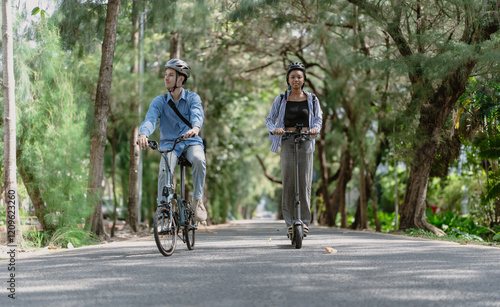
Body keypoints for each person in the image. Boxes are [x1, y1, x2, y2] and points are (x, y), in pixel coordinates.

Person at [137, 59, 207, 222]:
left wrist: (195, 128)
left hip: (191, 142)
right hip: (170, 144)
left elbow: (198, 113)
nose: (166, 78)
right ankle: (164, 208)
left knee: (199, 159)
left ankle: (198, 201)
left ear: (180, 79)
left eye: (170, 75)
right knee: (164, 170)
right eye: (165, 75)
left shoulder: (192, 98)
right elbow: (150, 119)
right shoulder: (159, 102)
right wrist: (143, 134)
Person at [265, 62, 323, 233]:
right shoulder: (282, 98)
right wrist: (274, 129)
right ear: (288, 80)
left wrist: (315, 129)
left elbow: (318, 120)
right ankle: (290, 223)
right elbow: (269, 119)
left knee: (304, 182)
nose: (296, 79)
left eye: (299, 76)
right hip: (287, 140)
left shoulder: (312, 99)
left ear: (304, 79)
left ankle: (304, 221)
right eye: (293, 77)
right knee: (289, 183)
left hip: (306, 140)